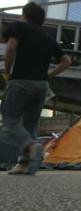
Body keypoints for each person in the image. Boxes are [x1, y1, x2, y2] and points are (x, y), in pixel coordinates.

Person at [2, 2, 71, 175]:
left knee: (10, 121)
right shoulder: (48, 37)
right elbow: (67, 61)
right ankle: (24, 164)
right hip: (42, 86)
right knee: (30, 125)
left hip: (20, 81)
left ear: (24, 15)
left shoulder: (19, 27)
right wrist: (50, 75)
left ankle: (32, 147)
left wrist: (7, 72)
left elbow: (11, 48)